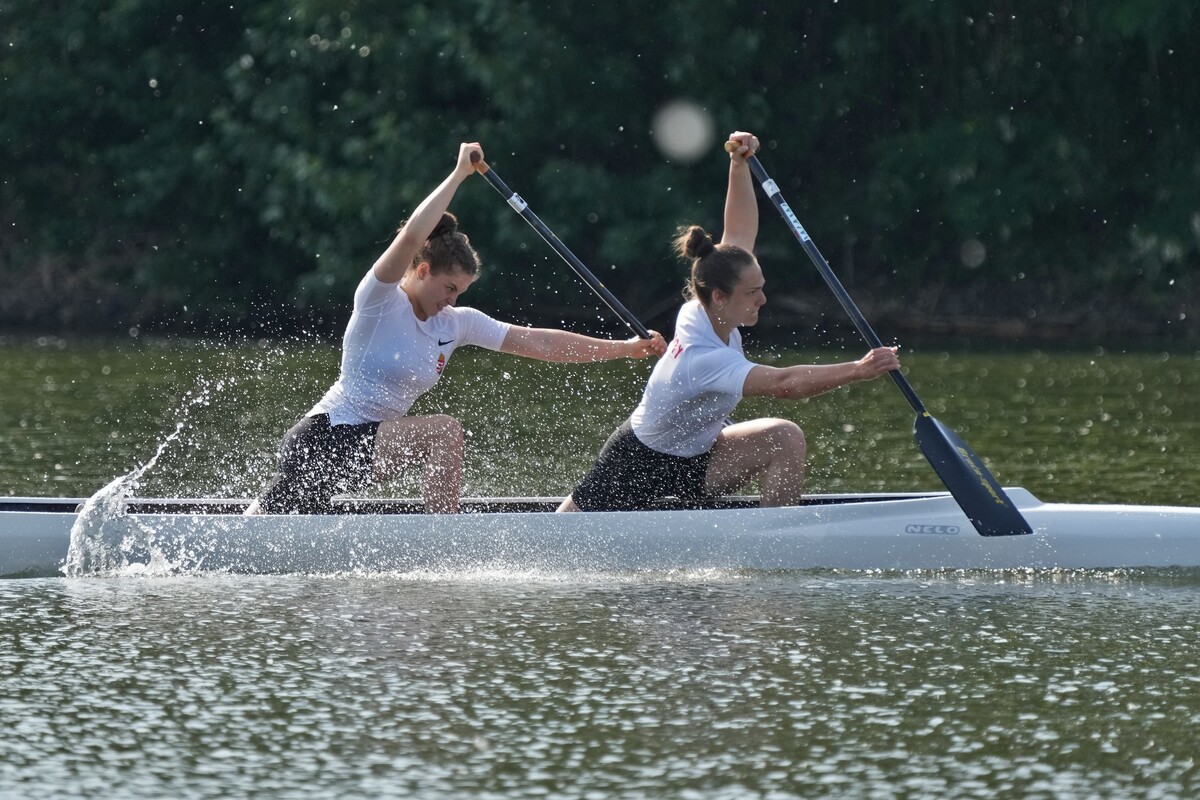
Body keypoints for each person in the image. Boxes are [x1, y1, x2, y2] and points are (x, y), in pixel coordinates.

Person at [249, 142, 665, 515]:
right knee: (443, 431)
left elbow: (538, 341)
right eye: (449, 288)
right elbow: (413, 235)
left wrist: (623, 349)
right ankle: (444, 543)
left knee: (271, 520)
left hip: (364, 447)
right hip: (323, 441)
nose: (452, 300)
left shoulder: (456, 324)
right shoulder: (378, 300)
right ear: (423, 271)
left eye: (460, 292)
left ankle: (435, 540)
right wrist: (459, 174)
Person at [558, 131, 900, 512]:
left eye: (761, 288)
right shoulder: (704, 358)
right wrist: (858, 369)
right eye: (752, 293)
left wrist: (738, 165)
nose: (763, 298)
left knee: (784, 438)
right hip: (637, 465)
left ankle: (775, 544)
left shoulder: (707, 302)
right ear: (720, 297)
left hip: (699, 457)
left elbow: (737, 235)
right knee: (562, 535)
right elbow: (786, 385)